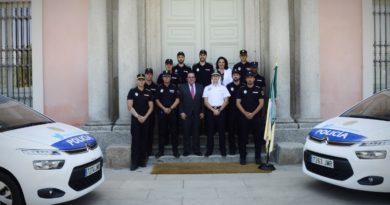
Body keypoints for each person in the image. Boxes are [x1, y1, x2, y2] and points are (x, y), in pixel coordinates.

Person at [236, 71, 265, 165]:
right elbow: (237, 103)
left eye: (251, 77)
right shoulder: (241, 89)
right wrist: (245, 113)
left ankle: (258, 158)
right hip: (243, 117)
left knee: (258, 138)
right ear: (245, 79)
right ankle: (243, 157)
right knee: (242, 138)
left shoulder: (258, 89)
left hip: (256, 118)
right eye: (248, 77)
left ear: (254, 79)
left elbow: (261, 103)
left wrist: (253, 113)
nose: (250, 79)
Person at [127, 74, 154, 171]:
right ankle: (134, 163)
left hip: (145, 120)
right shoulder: (132, 91)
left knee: (144, 141)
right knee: (135, 142)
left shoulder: (148, 92)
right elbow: (130, 106)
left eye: (143, 80)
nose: (141, 81)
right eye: (140, 80)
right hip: (136, 120)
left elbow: (151, 106)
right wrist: (138, 116)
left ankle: (142, 161)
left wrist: (145, 117)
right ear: (137, 81)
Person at [203, 71, 230, 156]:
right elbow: (205, 101)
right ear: (211, 78)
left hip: (221, 111)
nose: (215, 78)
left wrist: (219, 110)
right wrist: (213, 110)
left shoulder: (223, 88)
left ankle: (223, 150)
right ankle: (209, 150)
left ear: (219, 78)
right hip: (210, 111)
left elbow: (226, 101)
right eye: (213, 76)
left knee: (222, 131)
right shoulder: (207, 88)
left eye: (217, 76)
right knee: (210, 132)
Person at [155, 70, 180, 158]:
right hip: (162, 112)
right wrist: (164, 108)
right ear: (162, 78)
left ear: (170, 77)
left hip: (172, 112)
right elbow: (157, 100)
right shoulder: (159, 87)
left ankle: (175, 151)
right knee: (161, 132)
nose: (166, 78)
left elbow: (177, 100)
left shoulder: (174, 87)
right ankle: (160, 151)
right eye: (165, 76)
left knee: (174, 132)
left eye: (168, 76)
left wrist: (170, 108)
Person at [179, 71, 204, 156]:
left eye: (192, 77)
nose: (191, 79)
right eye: (189, 77)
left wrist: (202, 111)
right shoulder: (182, 87)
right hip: (186, 114)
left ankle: (196, 150)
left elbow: (203, 101)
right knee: (186, 133)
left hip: (197, 114)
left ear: (195, 78)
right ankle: (186, 150)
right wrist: (181, 112)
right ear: (186, 79)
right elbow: (180, 101)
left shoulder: (200, 87)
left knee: (196, 133)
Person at [226, 69, 244, 155]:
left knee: (242, 131)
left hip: (242, 112)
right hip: (231, 112)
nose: (235, 76)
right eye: (234, 75)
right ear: (232, 76)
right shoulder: (228, 86)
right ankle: (232, 149)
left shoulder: (244, 86)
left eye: (237, 75)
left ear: (240, 76)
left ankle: (242, 149)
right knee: (231, 131)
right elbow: (226, 100)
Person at [144, 68, 158, 156]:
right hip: (143, 113)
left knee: (150, 132)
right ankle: (144, 150)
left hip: (152, 113)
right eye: (147, 74)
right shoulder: (142, 85)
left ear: (152, 75)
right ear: (145, 75)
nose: (149, 75)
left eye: (150, 74)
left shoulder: (155, 86)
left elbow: (157, 99)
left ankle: (149, 150)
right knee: (144, 132)